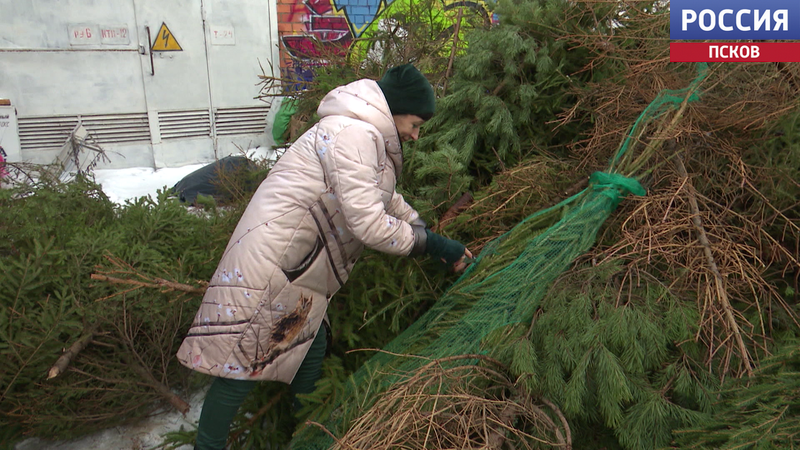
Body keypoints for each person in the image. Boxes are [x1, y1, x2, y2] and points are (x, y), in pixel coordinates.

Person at [176, 64, 473, 450]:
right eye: (415, 124)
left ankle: (307, 437)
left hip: (296, 269)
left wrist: (420, 225)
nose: (415, 135)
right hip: (275, 265)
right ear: (395, 109)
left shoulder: (362, 134)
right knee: (237, 367)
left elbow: (381, 197)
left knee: (308, 348)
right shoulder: (354, 134)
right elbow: (368, 223)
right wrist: (432, 245)